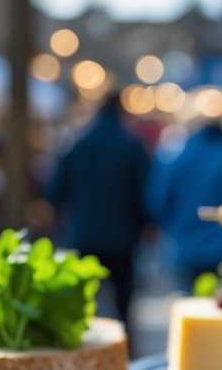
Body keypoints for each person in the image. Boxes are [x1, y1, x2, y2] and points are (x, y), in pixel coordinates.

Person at [46, 94, 150, 332]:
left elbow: (54, 191)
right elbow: (145, 194)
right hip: (122, 239)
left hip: (84, 235)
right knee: (124, 307)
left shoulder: (78, 143)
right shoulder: (131, 144)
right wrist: (143, 227)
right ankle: (124, 354)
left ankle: (82, 354)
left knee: (81, 308)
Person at [146, 117, 222, 291]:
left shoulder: (178, 156)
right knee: (218, 308)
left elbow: (157, 200)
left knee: (187, 307)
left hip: (182, 246)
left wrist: (171, 228)